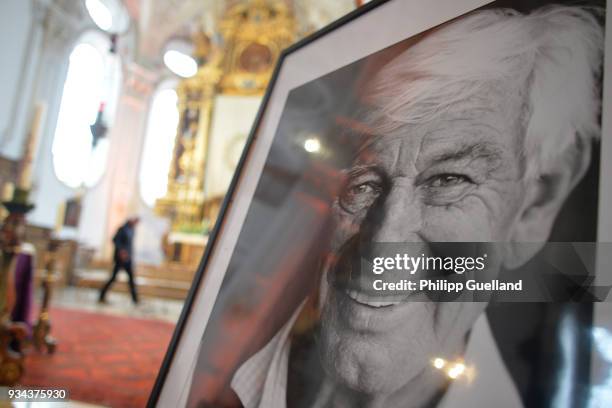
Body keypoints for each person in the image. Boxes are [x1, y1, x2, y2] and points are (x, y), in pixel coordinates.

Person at [227, 5, 604, 408]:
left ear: (536, 204)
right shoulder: (220, 363)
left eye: (449, 180)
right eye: (364, 181)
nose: (383, 246)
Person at [99, 216, 140, 304]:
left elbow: (129, 245)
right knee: (113, 278)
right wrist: (121, 250)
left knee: (131, 279)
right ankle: (101, 295)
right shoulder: (123, 229)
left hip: (127, 259)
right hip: (120, 259)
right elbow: (115, 240)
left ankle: (135, 299)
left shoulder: (132, 230)